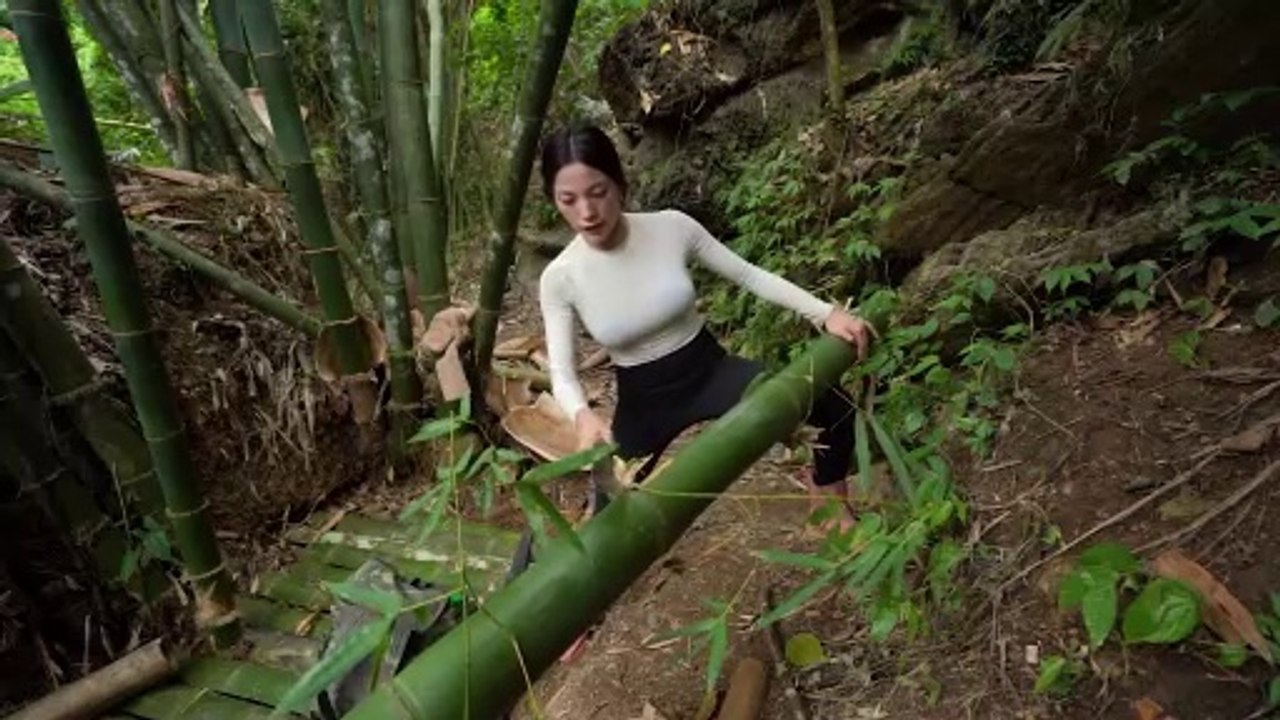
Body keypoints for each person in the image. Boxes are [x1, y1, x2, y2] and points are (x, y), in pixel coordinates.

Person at [536, 124, 870, 518]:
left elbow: (749, 275)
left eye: (598, 192)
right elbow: (561, 370)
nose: (587, 212)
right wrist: (582, 415)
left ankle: (830, 503)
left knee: (835, 406)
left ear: (620, 184)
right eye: (568, 200)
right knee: (611, 508)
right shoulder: (560, 277)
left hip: (710, 371)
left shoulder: (671, 227)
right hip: (644, 402)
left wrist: (825, 312)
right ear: (553, 201)